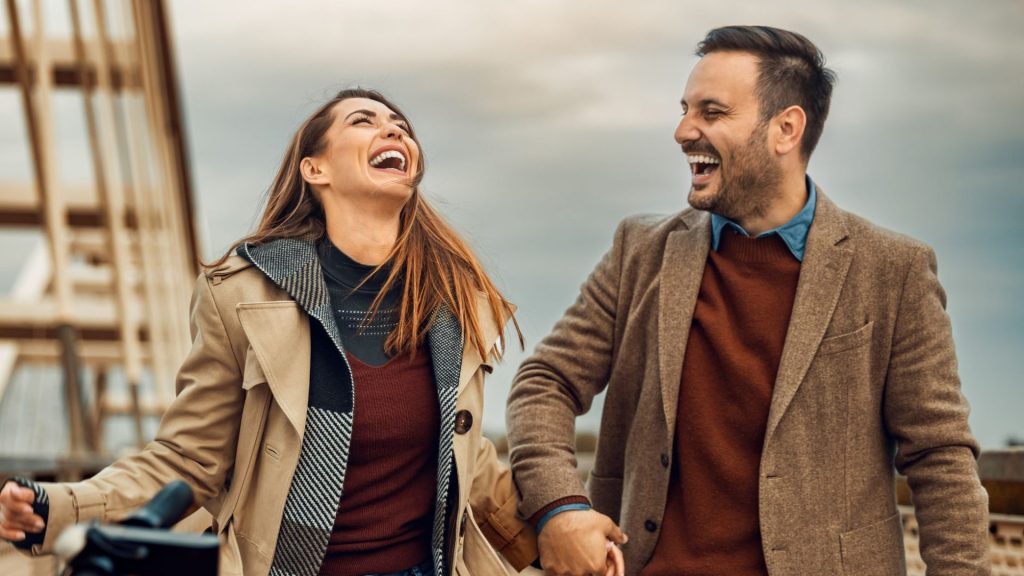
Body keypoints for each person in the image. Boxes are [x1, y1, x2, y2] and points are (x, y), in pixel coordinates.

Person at [0, 88, 553, 576]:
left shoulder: (454, 304)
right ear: (315, 170)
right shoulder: (242, 297)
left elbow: (468, 463)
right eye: (363, 120)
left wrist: (560, 521)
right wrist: (56, 507)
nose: (393, 129)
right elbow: (187, 460)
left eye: (401, 126)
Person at [506, 25, 990, 576]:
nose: (683, 130)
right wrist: (560, 509)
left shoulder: (892, 270)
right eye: (684, 109)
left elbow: (939, 457)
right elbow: (543, 381)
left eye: (711, 112)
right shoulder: (639, 251)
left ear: (786, 129)